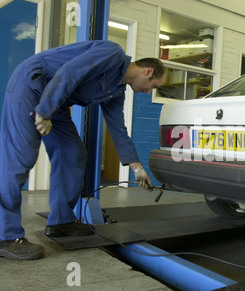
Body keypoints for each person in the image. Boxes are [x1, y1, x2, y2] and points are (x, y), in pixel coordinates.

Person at [0, 40, 166, 260]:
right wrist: (44, 112)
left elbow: (118, 129)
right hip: (31, 88)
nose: (148, 92)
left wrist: (137, 169)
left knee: (73, 153)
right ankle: (6, 236)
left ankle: (61, 221)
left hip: (55, 103)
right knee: (19, 159)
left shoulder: (116, 91)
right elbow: (69, 72)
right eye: (153, 86)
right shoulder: (112, 53)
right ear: (148, 71)